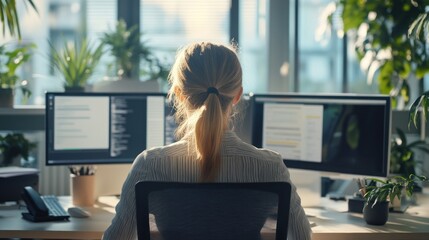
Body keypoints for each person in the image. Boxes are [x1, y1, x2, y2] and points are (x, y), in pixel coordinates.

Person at [103, 42, 312, 239]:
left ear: (179, 95)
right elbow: (302, 236)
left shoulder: (150, 164)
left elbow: (116, 238)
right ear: (238, 96)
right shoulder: (271, 167)